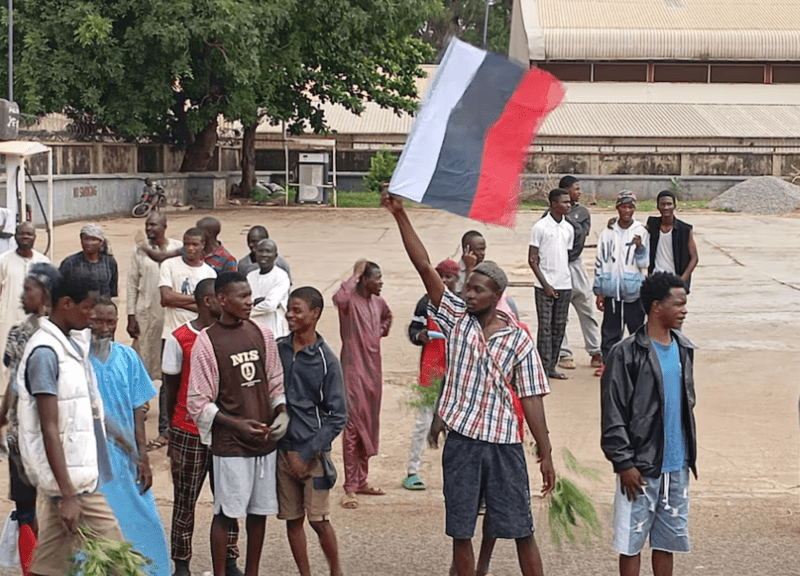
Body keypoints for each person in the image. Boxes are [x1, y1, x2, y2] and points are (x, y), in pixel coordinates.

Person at [382, 188, 555, 576]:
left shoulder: (518, 339)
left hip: (505, 445)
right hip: (462, 443)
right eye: (467, 287)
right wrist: (400, 214)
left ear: (497, 296)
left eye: (477, 289)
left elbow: (531, 400)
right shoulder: (456, 318)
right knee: (462, 531)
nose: (468, 293)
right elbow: (424, 265)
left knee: (522, 530)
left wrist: (545, 452)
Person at [16, 268, 123, 576]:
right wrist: (68, 495)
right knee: (119, 562)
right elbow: (48, 427)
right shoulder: (46, 354)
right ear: (65, 304)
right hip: (73, 486)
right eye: (86, 308)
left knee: (49, 565)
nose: (91, 316)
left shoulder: (71, 343)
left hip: (72, 478)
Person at [187, 272, 288, 576]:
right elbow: (199, 402)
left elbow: (275, 380)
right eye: (242, 296)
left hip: (263, 439)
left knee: (259, 512)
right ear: (221, 300)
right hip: (230, 444)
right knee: (226, 513)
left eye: (250, 294)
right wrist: (237, 425)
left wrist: (281, 411)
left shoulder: (262, 333)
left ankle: (251, 572)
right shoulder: (207, 342)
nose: (249, 301)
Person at [601, 272, 697, 576]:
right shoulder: (626, 353)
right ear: (657, 306)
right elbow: (613, 413)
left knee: (667, 541)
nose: (684, 309)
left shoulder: (684, 348)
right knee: (631, 542)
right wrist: (624, 463)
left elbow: (685, 406)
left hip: (675, 466)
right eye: (678, 303)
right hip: (640, 466)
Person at [162, 279, 242, 576]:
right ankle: (182, 564)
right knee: (185, 501)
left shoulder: (231, 336)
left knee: (227, 500)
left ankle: (230, 559)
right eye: (220, 298)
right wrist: (173, 432)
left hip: (223, 430)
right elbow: (171, 390)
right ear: (209, 302)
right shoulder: (179, 338)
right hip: (188, 431)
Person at [88, 297, 170, 576]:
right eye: (97, 320)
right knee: (96, 527)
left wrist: (143, 458)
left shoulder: (127, 357)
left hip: (127, 458)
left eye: (110, 321)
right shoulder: (77, 360)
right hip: (91, 460)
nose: (104, 327)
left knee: (143, 519)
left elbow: (138, 411)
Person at [276, 286, 347, 576]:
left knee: (317, 519)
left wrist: (307, 453)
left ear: (315, 314)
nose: (289, 315)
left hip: (314, 457)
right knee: (292, 520)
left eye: (297, 310)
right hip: (282, 451)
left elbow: (338, 416)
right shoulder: (278, 349)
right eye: (288, 309)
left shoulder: (326, 361)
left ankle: (335, 571)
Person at [0, 263, 59, 575]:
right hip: (26, 437)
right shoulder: (20, 332)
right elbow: (12, 381)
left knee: (37, 509)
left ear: (46, 294)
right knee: (28, 510)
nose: (22, 295)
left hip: (42, 437)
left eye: (28, 289)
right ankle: (33, 568)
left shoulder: (60, 335)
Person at [333, 259, 392, 509]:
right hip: (353, 371)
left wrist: (379, 331)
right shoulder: (349, 304)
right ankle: (349, 486)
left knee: (368, 424)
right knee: (353, 426)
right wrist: (354, 273)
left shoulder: (378, 303)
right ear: (364, 280)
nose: (381, 283)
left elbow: (388, 318)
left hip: (373, 372)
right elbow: (339, 298)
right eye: (376, 278)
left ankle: (362, 480)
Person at [152, 227, 217, 451]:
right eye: (186, 243)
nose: (190, 248)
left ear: (203, 247)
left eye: (195, 244)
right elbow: (165, 297)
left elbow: (210, 304)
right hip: (171, 332)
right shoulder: (169, 265)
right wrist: (197, 300)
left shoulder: (209, 273)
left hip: (199, 334)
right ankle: (166, 430)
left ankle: (196, 424)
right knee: (169, 383)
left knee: (196, 382)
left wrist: (179, 300)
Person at [403, 258, 459, 491]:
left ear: (457, 279)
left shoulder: (461, 303)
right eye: (440, 276)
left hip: (457, 372)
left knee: (455, 423)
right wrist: (420, 335)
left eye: (449, 277)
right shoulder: (425, 304)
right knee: (424, 420)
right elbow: (413, 330)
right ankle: (412, 470)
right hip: (431, 369)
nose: (444, 281)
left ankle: (456, 473)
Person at [594, 191, 649, 377]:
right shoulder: (608, 232)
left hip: (633, 289)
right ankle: (608, 363)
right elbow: (600, 261)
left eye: (631, 207)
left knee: (636, 328)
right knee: (611, 329)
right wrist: (600, 291)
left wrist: (640, 248)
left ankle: (640, 363)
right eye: (624, 206)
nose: (627, 210)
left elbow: (645, 264)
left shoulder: (641, 231)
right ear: (617, 208)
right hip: (611, 289)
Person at [551, 176, 602, 370]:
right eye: (576, 189)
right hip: (558, 266)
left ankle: (595, 350)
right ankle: (564, 353)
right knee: (560, 312)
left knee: (586, 308)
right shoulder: (550, 215)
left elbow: (579, 236)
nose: (579, 192)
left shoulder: (582, 212)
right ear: (565, 190)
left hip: (575, 264)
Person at [126, 212, 183, 380]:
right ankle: (142, 403)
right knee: (143, 357)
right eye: (147, 224)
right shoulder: (139, 250)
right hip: (146, 313)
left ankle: (167, 401)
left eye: (154, 225)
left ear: (164, 227)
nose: (149, 228)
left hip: (170, 315)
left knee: (169, 359)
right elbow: (132, 284)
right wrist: (131, 316)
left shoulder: (177, 247)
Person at [528, 188, 574, 381]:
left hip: (564, 284)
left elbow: (567, 255)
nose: (569, 205)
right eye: (565, 202)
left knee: (559, 326)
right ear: (554, 204)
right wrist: (545, 284)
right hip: (544, 285)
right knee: (545, 327)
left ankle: (552, 365)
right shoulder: (540, 227)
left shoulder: (568, 228)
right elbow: (532, 259)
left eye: (569, 202)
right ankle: (542, 367)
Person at [0, 223, 50, 387]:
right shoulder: (3, 260)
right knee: (5, 361)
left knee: (34, 356)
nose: (26, 237)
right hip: (7, 318)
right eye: (22, 234)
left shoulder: (43, 262)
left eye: (29, 234)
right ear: (15, 236)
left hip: (35, 322)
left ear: (35, 237)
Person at [647, 190, 699, 292]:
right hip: (656, 278)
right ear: (658, 207)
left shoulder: (685, 229)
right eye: (662, 204)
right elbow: (633, 228)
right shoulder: (652, 225)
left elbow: (694, 258)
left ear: (674, 206)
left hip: (675, 279)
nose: (666, 207)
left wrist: (682, 279)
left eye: (669, 204)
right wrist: (614, 221)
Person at [58, 223, 118, 297]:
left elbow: (113, 290)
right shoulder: (69, 263)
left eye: (93, 240)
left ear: (101, 242)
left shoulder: (109, 262)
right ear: (81, 241)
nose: (89, 243)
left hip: (102, 305)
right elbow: (59, 289)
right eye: (86, 239)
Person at [246, 238, 290, 338]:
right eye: (261, 251)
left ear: (275, 256)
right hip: (253, 329)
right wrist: (258, 301)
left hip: (274, 330)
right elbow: (245, 300)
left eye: (268, 251)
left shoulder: (281, 276)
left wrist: (248, 311)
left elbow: (270, 305)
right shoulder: (250, 276)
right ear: (255, 254)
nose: (264, 254)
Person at [455, 231, 486, 295]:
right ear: (467, 249)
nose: (483, 253)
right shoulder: (455, 272)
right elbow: (464, 298)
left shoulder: (484, 269)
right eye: (479, 249)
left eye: (483, 249)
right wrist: (469, 269)